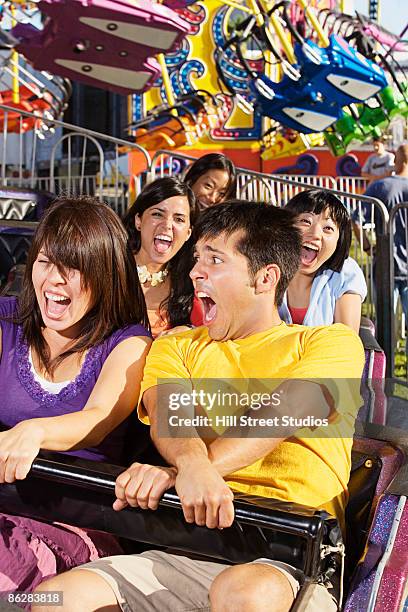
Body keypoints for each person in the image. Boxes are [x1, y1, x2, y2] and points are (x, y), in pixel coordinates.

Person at [37, 202, 365, 612]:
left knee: (241, 592)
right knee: (53, 596)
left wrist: (184, 471)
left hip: (289, 559)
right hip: (192, 549)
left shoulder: (329, 343)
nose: (195, 272)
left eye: (214, 260)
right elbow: (171, 417)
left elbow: (292, 408)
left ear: (265, 278)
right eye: (196, 259)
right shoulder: (177, 346)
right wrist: (190, 469)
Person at [0, 197, 152, 595]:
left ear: (107, 276)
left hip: (75, 524)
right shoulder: (7, 322)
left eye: (74, 268)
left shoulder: (127, 343)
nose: (54, 280)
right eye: (46, 262)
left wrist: (34, 432)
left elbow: (97, 419)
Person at [280, 189, 367, 332]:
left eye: (328, 228)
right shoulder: (266, 267)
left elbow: (346, 342)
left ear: (339, 240)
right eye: (306, 221)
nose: (315, 234)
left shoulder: (346, 274)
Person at [123, 177, 200, 337]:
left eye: (179, 219)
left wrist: (187, 329)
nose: (167, 225)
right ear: (139, 220)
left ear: (188, 233)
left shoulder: (192, 280)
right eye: (157, 214)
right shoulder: (111, 269)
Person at [353, 143, 408, 317]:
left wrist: (368, 247)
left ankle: (387, 345)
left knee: (385, 322)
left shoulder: (380, 186)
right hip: (395, 262)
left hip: (386, 261)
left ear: (397, 161)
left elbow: (355, 221)